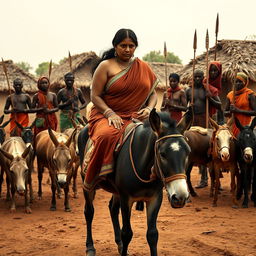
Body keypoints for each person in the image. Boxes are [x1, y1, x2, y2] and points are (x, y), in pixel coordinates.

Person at [83, 28, 158, 191]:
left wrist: (149, 109)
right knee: (105, 135)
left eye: (131, 46)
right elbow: (95, 96)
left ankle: (154, 178)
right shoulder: (105, 66)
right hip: (106, 114)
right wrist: (110, 113)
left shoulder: (143, 67)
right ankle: (94, 176)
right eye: (123, 45)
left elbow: (153, 95)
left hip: (135, 115)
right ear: (115, 46)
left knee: (158, 138)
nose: (127, 49)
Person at [186, 69, 222, 188]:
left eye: (199, 77)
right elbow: (183, 107)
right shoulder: (188, 91)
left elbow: (219, 105)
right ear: (192, 77)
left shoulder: (207, 90)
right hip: (192, 121)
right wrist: (188, 108)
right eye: (195, 77)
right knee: (194, 149)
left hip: (205, 120)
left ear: (203, 78)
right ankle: (203, 179)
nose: (197, 79)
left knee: (209, 149)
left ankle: (215, 179)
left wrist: (210, 98)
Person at [225, 72, 256, 137]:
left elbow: (255, 112)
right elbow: (225, 112)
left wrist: (238, 111)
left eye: (240, 82)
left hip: (245, 127)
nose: (237, 84)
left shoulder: (249, 94)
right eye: (236, 82)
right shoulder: (230, 95)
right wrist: (230, 112)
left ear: (245, 83)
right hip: (232, 125)